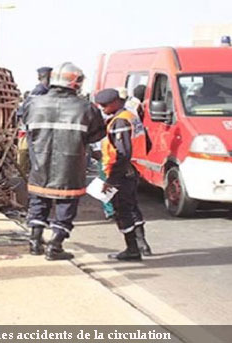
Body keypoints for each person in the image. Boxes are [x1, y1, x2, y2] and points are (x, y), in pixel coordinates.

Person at [22, 62, 105, 260]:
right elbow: (97, 135)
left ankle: (35, 242)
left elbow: (26, 128)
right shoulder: (86, 108)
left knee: (38, 202)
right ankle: (55, 246)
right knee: (65, 206)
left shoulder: (33, 103)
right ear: (76, 82)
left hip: (39, 164)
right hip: (70, 167)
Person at [95, 88, 152, 261]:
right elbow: (147, 143)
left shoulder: (120, 122)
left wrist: (112, 180)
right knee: (132, 206)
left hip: (121, 173)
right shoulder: (131, 116)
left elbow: (122, 153)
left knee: (122, 210)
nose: (103, 109)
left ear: (114, 103)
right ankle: (142, 244)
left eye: (104, 106)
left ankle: (132, 249)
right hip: (133, 170)